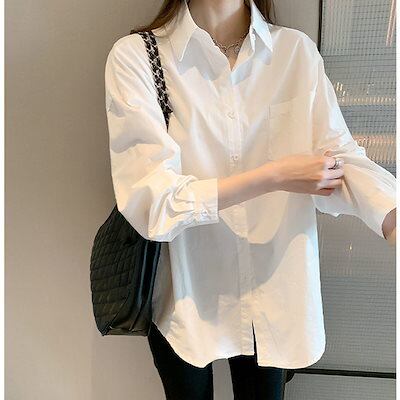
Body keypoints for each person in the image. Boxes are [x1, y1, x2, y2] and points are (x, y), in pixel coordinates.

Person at [104, 0, 397, 398]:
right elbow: (151, 201)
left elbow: (338, 157)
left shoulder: (293, 51)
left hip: (272, 284)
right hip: (185, 290)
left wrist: (391, 215)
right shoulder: (137, 56)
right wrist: (275, 175)